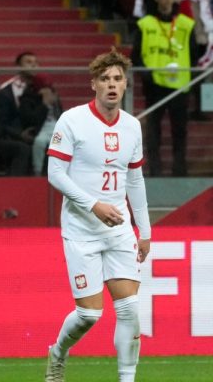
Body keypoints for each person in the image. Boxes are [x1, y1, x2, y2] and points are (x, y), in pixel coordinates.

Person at [44, 49, 151, 382]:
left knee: (130, 309)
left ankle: (126, 379)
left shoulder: (133, 127)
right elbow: (55, 173)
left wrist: (144, 230)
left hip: (119, 231)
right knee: (89, 314)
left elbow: (135, 179)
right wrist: (93, 205)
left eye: (118, 79)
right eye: (105, 79)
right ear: (94, 84)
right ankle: (58, 353)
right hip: (81, 230)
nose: (112, 85)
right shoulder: (72, 120)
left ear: (125, 85)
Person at [132, 0, 195, 176]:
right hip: (155, 84)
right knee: (153, 130)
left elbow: (193, 54)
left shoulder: (186, 24)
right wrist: (147, 76)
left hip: (179, 84)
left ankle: (179, 170)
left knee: (179, 130)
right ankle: (155, 171)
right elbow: (136, 55)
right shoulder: (145, 24)